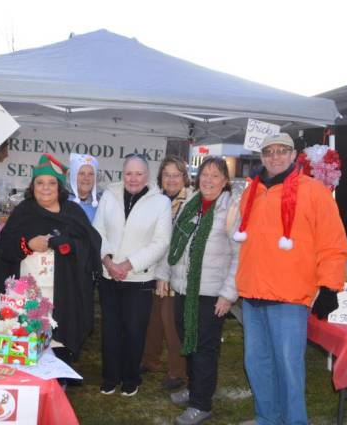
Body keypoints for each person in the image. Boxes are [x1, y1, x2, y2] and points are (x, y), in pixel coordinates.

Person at [234, 133, 347, 425]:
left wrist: (330, 287)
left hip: (289, 296)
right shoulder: (252, 192)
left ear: (294, 154)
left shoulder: (314, 191)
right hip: (253, 293)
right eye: (269, 151)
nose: (275, 157)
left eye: (281, 151)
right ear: (261, 157)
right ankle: (267, 419)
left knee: (288, 367)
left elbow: (333, 243)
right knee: (257, 365)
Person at [0, 153, 102, 366]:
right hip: (28, 297)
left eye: (51, 183)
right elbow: (5, 246)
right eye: (40, 183)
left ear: (60, 186)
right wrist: (27, 245)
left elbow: (90, 245)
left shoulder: (73, 212)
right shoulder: (23, 212)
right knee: (26, 347)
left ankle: (57, 389)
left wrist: (66, 244)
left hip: (64, 295)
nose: (45, 188)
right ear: (32, 186)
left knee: (59, 349)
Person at [156, 156, 240, 425]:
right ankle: (194, 388)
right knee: (187, 342)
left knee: (204, 348)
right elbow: (174, 244)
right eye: (205, 174)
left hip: (211, 294)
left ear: (225, 181)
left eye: (216, 175)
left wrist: (228, 294)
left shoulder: (230, 210)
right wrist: (164, 275)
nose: (209, 180)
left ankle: (201, 404)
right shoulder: (191, 205)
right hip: (183, 289)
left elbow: (241, 255)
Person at [93, 154, 172, 397]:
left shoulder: (160, 202)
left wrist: (128, 265)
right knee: (110, 328)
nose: (133, 178)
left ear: (147, 176)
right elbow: (97, 230)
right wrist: (107, 260)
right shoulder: (109, 195)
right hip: (109, 276)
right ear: (122, 174)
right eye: (129, 173)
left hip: (139, 278)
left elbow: (161, 242)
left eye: (138, 173)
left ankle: (130, 378)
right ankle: (110, 377)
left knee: (134, 330)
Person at [141, 155, 190, 390]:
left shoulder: (190, 202)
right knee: (151, 320)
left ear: (184, 177)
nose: (171, 179)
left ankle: (177, 372)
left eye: (176, 175)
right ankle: (149, 360)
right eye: (167, 175)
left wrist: (167, 273)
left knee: (171, 323)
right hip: (151, 267)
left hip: (174, 271)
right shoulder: (154, 199)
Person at [67, 153, 100, 223]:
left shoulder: (101, 202)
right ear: (73, 176)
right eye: (81, 174)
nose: (86, 178)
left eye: (91, 174)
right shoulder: (62, 200)